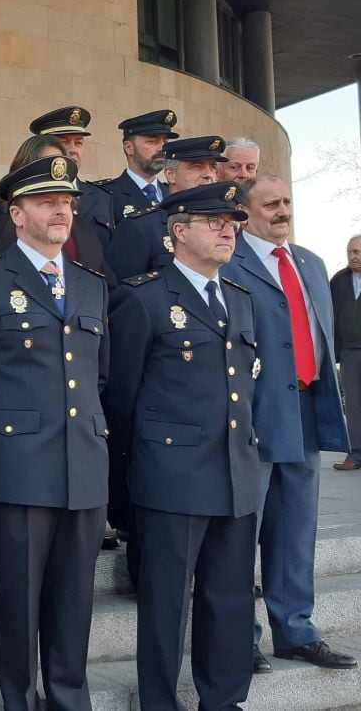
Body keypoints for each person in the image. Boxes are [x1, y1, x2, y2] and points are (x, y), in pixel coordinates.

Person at [0, 155, 109, 711]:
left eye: (66, 202)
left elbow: (100, 375)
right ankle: (19, 700)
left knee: (75, 598)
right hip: (18, 466)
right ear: (16, 214)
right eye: (46, 202)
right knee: (18, 600)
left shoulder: (91, 285)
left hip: (83, 462)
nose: (60, 211)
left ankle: (69, 699)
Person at [103, 182, 260, 710]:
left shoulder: (240, 299)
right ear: (179, 232)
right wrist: (130, 480)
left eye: (232, 223)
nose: (227, 231)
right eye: (214, 222)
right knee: (166, 604)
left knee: (230, 599)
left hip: (234, 471)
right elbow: (121, 398)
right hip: (171, 477)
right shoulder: (143, 297)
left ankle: (224, 700)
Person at [222, 175, 357, 674]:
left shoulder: (310, 262)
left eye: (286, 201)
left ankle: (296, 631)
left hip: (305, 410)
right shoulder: (229, 261)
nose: (283, 210)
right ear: (244, 211)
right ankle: (240, 638)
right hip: (253, 415)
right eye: (270, 204)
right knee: (244, 533)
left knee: (297, 531)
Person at [0, 135, 115, 287]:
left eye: (65, 201)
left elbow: (106, 287)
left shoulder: (86, 232)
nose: (55, 174)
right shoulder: (4, 229)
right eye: (47, 202)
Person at [105, 135, 224, 281]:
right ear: (171, 175)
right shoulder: (140, 226)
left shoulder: (224, 225)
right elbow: (121, 288)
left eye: (213, 167)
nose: (209, 175)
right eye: (196, 166)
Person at [28, 106, 115, 246]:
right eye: (63, 143)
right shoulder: (22, 195)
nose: (73, 150)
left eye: (78, 143)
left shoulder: (102, 198)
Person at [95, 109, 179, 223]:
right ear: (129, 148)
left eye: (165, 142)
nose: (162, 148)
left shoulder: (173, 194)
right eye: (152, 142)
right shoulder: (105, 195)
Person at [332, 234, 361, 471]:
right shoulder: (339, 280)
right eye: (350, 252)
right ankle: (356, 454)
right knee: (353, 404)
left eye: (358, 252)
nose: (353, 256)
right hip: (350, 351)